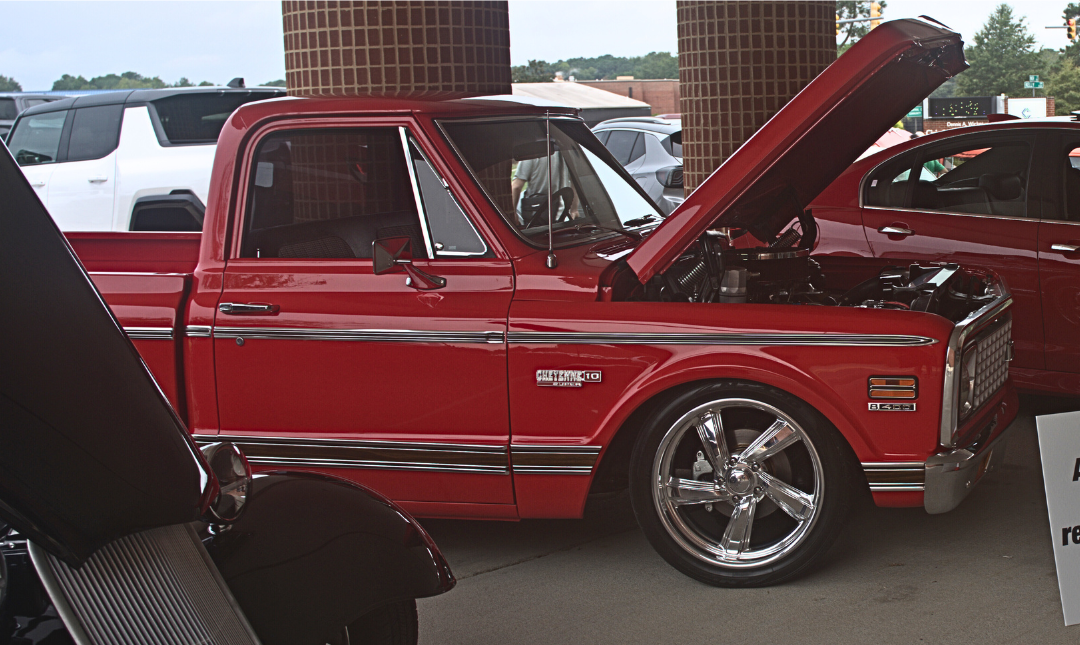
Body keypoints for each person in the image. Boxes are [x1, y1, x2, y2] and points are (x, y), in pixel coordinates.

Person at [511, 152, 577, 226]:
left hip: (536, 215)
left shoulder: (530, 154)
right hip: (562, 216)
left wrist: (513, 214)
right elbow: (574, 184)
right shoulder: (567, 153)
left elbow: (516, 186)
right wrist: (574, 210)